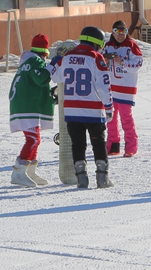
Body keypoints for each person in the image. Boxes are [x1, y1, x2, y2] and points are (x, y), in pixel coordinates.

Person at [50, 26, 115, 188]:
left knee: (78, 145)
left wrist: (54, 63)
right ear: (98, 42)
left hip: (71, 111)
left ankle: (82, 179)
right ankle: (102, 178)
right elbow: (104, 85)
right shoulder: (96, 57)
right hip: (93, 110)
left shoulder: (67, 57)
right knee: (98, 143)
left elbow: (56, 76)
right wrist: (109, 106)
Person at [7, 34, 56, 188]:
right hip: (25, 106)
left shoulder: (27, 61)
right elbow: (41, 79)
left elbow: (35, 85)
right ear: (45, 51)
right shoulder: (35, 61)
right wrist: (52, 66)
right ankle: (19, 172)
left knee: (36, 139)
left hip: (24, 105)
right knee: (33, 139)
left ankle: (29, 170)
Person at [103, 20, 144, 156]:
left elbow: (138, 62)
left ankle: (131, 146)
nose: (120, 35)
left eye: (123, 32)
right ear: (113, 33)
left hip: (126, 89)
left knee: (126, 118)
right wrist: (105, 59)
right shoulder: (108, 46)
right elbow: (100, 61)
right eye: (117, 32)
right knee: (111, 118)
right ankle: (113, 145)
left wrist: (123, 62)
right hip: (110, 88)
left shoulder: (131, 46)